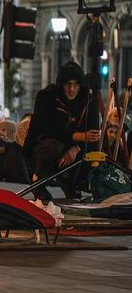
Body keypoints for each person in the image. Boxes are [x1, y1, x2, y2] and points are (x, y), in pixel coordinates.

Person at [24, 60, 98, 201]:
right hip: (42, 148)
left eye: (75, 84)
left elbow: (93, 134)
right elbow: (48, 129)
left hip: (73, 149)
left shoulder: (87, 101)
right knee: (53, 145)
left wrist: (75, 148)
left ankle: (70, 185)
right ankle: (38, 184)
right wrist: (80, 136)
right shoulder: (47, 97)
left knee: (89, 150)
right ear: (61, 85)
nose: (71, 89)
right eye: (67, 84)